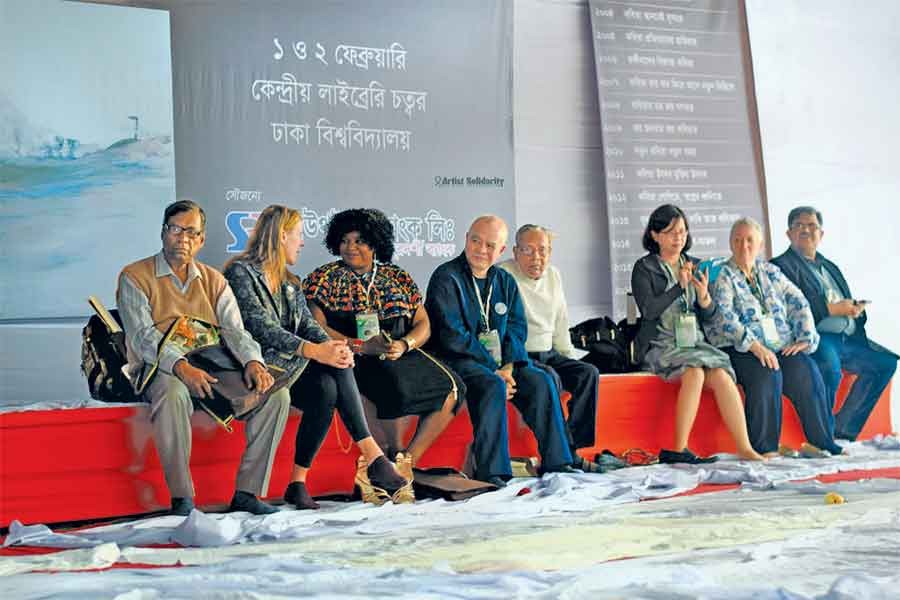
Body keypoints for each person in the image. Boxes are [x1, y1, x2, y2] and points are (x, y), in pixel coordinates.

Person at [224, 206, 410, 508]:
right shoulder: (240, 272)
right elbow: (259, 326)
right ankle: (374, 456)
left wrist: (333, 347)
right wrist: (316, 350)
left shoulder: (289, 280)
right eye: (298, 235)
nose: (301, 242)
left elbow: (308, 325)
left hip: (289, 367)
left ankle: (298, 482)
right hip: (257, 368)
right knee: (330, 367)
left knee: (329, 380)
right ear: (282, 235)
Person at [117, 200, 289, 516]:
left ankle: (248, 492)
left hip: (210, 364)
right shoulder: (134, 276)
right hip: (159, 366)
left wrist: (254, 362)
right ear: (163, 233)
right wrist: (182, 368)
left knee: (276, 395)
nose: (183, 238)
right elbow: (143, 338)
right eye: (176, 229)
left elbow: (235, 330)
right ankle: (182, 498)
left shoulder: (214, 280)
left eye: (191, 232)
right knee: (173, 392)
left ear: (201, 240)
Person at [302, 208, 465, 476]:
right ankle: (391, 457)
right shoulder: (323, 278)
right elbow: (316, 327)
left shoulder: (397, 276)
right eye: (344, 241)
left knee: (453, 387)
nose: (350, 247)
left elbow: (423, 323)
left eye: (359, 241)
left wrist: (404, 344)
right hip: (352, 352)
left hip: (397, 348)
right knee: (392, 385)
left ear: (376, 243)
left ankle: (404, 465)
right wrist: (361, 346)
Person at [425, 215, 574, 488]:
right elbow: (452, 335)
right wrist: (495, 369)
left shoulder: (504, 280)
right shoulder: (446, 277)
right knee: (492, 383)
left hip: (499, 364)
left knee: (540, 380)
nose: (482, 250)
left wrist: (508, 365)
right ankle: (493, 471)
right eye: (476, 241)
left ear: (502, 251)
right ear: (466, 239)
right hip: (458, 360)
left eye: (490, 245)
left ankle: (559, 462)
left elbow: (517, 329)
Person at [631, 205, 764, 464]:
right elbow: (648, 311)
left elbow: (711, 316)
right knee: (694, 372)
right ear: (655, 235)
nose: (678, 237)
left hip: (694, 342)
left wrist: (704, 299)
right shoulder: (644, 268)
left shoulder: (696, 265)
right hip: (661, 342)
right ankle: (678, 449)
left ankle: (745, 447)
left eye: (682, 231)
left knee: (723, 377)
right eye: (670, 232)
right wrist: (678, 288)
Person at [707, 217, 842, 457]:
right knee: (767, 373)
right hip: (740, 347)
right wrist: (755, 346)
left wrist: (804, 337)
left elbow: (798, 300)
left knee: (806, 369)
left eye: (749, 240)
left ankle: (823, 442)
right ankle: (765, 448)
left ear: (759, 244)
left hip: (778, 345)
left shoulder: (770, 271)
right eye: (737, 240)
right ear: (730, 243)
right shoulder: (723, 276)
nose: (743, 246)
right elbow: (725, 318)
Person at [499, 224, 624, 472]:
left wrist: (570, 360)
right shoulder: (503, 275)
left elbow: (560, 322)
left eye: (543, 251)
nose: (537, 258)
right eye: (528, 250)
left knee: (587, 373)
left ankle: (572, 449)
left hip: (549, 352)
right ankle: (563, 458)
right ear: (515, 251)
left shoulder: (554, 275)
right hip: (521, 355)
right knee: (549, 377)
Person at [771, 207, 896, 441]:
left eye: (812, 226)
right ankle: (823, 434)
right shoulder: (780, 266)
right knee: (830, 369)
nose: (806, 230)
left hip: (847, 336)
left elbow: (844, 297)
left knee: (886, 363)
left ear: (821, 234)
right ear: (788, 234)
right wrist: (834, 309)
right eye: (799, 226)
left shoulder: (829, 266)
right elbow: (788, 308)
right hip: (816, 336)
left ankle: (843, 428)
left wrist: (855, 310)